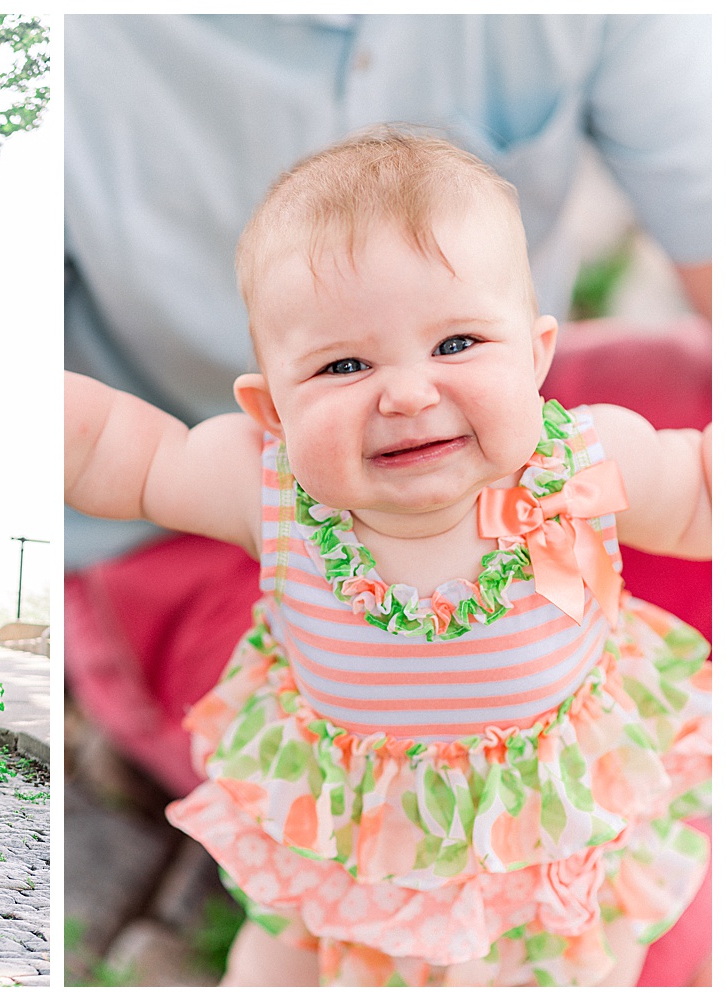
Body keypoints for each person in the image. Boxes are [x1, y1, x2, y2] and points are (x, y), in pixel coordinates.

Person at [66, 129, 709, 986]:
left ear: (536, 355)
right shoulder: (269, 489)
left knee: (583, 965)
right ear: (273, 410)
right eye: (344, 364)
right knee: (279, 965)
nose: (407, 392)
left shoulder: (586, 464)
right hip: (348, 835)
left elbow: (703, 493)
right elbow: (130, 455)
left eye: (457, 344)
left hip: (550, 831)